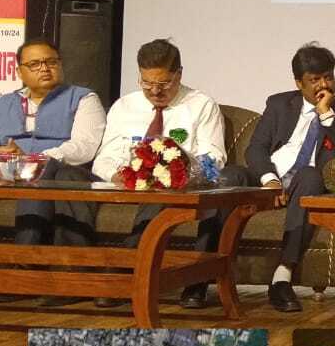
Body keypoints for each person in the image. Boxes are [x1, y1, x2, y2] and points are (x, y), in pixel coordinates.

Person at [0, 38, 105, 302]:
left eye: (51, 62)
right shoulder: (5, 102)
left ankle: (24, 264)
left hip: (55, 170)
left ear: (61, 65)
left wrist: (30, 160)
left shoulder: (83, 98)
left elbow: (84, 146)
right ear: (19, 71)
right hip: (4, 168)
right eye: (35, 64)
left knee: (39, 168)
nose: (45, 68)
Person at [91, 38, 247, 308]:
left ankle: (194, 282)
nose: (155, 91)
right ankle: (123, 277)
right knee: (152, 185)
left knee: (191, 184)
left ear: (179, 74)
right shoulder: (124, 107)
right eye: (147, 83)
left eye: (164, 83)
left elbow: (214, 157)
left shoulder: (200, 105)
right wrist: (118, 174)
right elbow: (104, 157)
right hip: (134, 186)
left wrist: (177, 168)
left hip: (186, 185)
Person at [245, 44, 335, 313]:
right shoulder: (278, 104)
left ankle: (282, 277)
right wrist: (270, 180)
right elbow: (256, 149)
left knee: (310, 175)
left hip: (306, 184)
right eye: (315, 79)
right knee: (230, 175)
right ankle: (202, 276)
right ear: (299, 83)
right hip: (270, 178)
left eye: (328, 77)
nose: (324, 85)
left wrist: (326, 115)